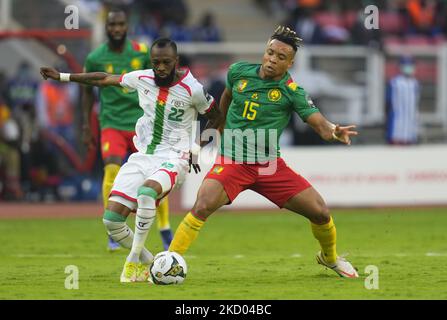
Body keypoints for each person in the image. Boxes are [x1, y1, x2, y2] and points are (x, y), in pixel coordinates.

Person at [168, 26, 360, 278]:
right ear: (264, 51)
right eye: (270, 53)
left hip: (269, 166)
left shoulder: (292, 92)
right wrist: (203, 142)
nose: (272, 59)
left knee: (320, 212)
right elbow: (223, 105)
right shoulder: (238, 72)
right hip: (233, 162)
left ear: (290, 63)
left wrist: (334, 130)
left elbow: (319, 124)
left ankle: (330, 258)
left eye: (281, 57)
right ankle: (168, 262)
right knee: (202, 205)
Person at [40, 37, 221, 282]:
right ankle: (151, 261)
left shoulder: (194, 89)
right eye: (156, 62)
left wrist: (196, 149)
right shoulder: (143, 78)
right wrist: (62, 76)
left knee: (147, 192)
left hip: (174, 158)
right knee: (112, 221)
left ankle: (132, 261)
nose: (160, 68)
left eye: (166, 62)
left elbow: (217, 117)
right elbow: (103, 79)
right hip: (143, 156)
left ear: (176, 61)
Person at [82, 9, 173, 251]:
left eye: (121, 24)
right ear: (106, 27)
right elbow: (86, 92)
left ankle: (164, 228)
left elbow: (160, 81)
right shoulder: (95, 58)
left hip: (141, 123)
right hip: (111, 122)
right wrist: (85, 125)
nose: (116, 29)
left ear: (127, 26)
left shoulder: (142, 52)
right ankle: (113, 231)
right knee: (112, 167)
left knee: (155, 174)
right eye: (112, 25)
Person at [386, 56, 420, 145]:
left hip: (411, 124)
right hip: (397, 124)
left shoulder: (415, 83)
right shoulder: (394, 82)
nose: (409, 68)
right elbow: (388, 103)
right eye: (406, 65)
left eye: (411, 65)